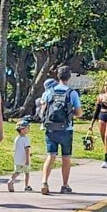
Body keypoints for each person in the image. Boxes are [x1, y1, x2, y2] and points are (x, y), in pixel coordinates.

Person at [40, 66, 81, 194]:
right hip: (66, 129)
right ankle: (65, 185)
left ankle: (44, 182)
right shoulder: (72, 93)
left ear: (58, 76)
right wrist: (70, 112)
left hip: (50, 128)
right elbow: (79, 112)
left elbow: (43, 111)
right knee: (66, 158)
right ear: (69, 77)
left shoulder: (49, 92)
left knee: (50, 155)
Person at [8, 117, 34, 192]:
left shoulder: (17, 139)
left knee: (17, 171)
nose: (28, 129)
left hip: (17, 158)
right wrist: (27, 160)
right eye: (27, 128)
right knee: (27, 173)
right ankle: (26, 186)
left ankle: (11, 180)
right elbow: (26, 150)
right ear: (22, 130)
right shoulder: (26, 139)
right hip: (24, 159)